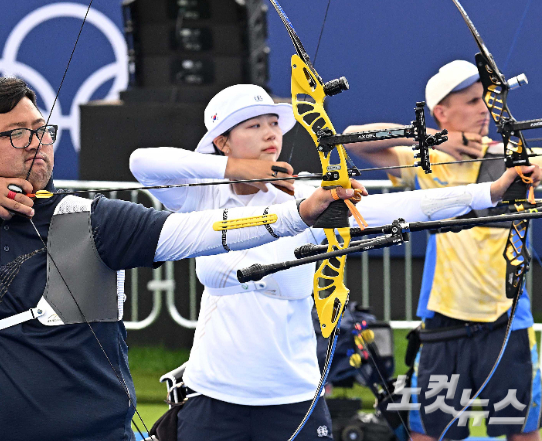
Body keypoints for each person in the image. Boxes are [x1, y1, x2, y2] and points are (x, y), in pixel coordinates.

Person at [0, 77, 367, 441]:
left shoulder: (92, 216)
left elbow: (201, 232)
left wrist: (299, 213)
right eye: (18, 134)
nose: (37, 144)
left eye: (42, 130)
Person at [129, 83, 541, 441]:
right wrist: (239, 169)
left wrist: (490, 191)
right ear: (222, 141)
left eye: (273, 123)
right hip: (213, 396)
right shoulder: (202, 195)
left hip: (294, 398)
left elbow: (400, 206)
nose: (271, 133)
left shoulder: (308, 196)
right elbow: (142, 162)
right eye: (253, 126)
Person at [343, 60, 542, 441]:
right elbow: (351, 138)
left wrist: (525, 165)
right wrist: (430, 139)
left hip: (507, 319)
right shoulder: (427, 159)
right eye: (471, 101)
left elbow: (535, 165)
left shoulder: (509, 153)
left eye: (485, 100)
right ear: (441, 113)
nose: (484, 109)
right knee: (429, 433)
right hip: (443, 322)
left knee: (520, 432)